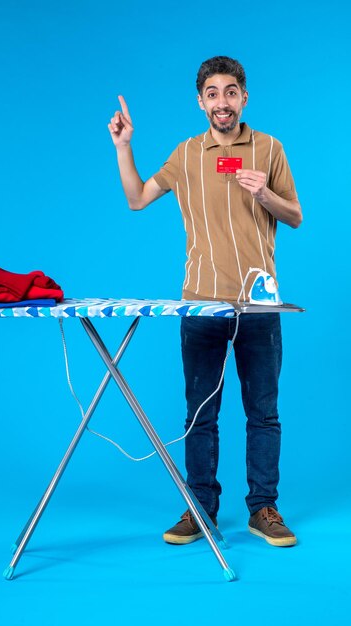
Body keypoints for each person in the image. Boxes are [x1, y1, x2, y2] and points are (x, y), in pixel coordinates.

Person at [108, 56, 302, 547]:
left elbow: (296, 216)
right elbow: (136, 198)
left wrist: (266, 197)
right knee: (201, 413)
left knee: (263, 411)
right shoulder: (186, 154)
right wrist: (124, 147)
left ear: (244, 97)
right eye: (212, 93)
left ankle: (264, 509)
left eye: (231, 91)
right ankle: (199, 508)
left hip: (259, 306)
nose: (222, 101)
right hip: (200, 306)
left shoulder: (270, 148)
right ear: (201, 102)